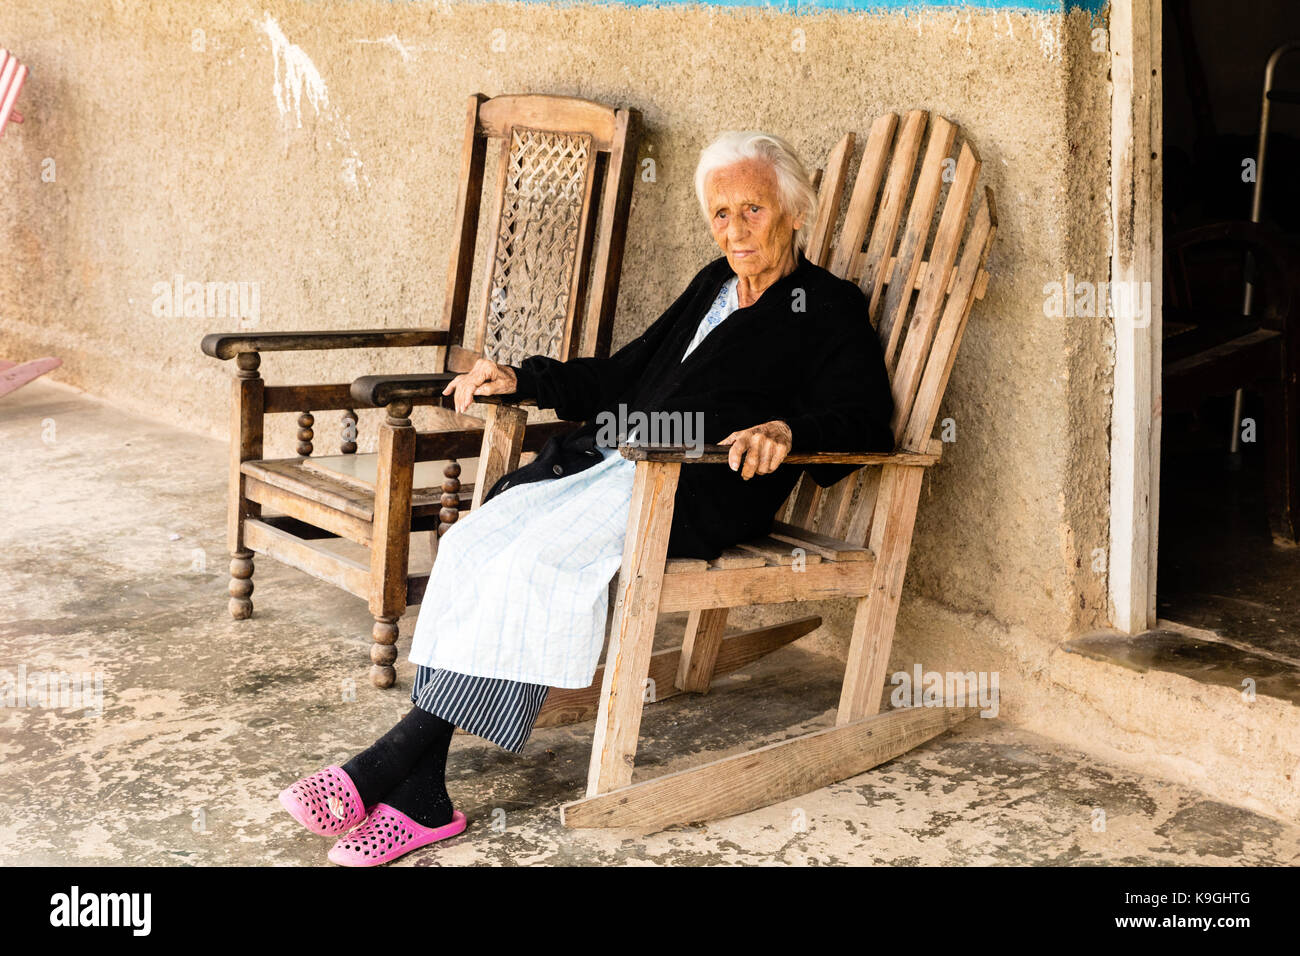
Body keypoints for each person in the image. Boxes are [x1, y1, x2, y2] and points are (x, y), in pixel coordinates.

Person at [277, 129, 896, 866]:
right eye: (721, 214)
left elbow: (866, 419)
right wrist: (527, 380)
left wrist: (788, 430)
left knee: (540, 561)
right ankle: (423, 789)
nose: (735, 230)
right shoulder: (713, 284)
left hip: (691, 483)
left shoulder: (826, 306)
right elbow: (624, 373)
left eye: (753, 210)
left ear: (794, 211)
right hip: (610, 458)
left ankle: (388, 766)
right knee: (475, 543)